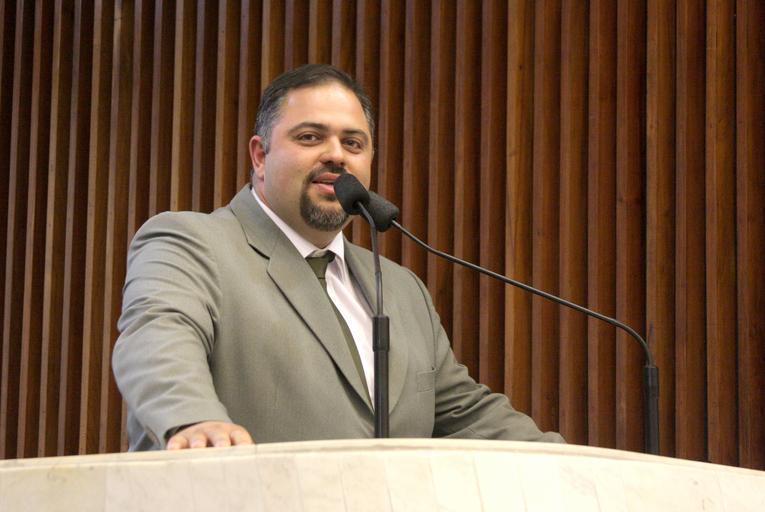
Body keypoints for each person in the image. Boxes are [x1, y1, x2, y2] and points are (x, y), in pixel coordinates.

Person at [112, 64, 564, 450]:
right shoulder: (191, 243)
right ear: (260, 155)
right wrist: (193, 419)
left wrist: (574, 463)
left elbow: (462, 412)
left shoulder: (400, 287)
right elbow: (159, 340)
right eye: (310, 137)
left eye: (353, 143)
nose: (336, 155)